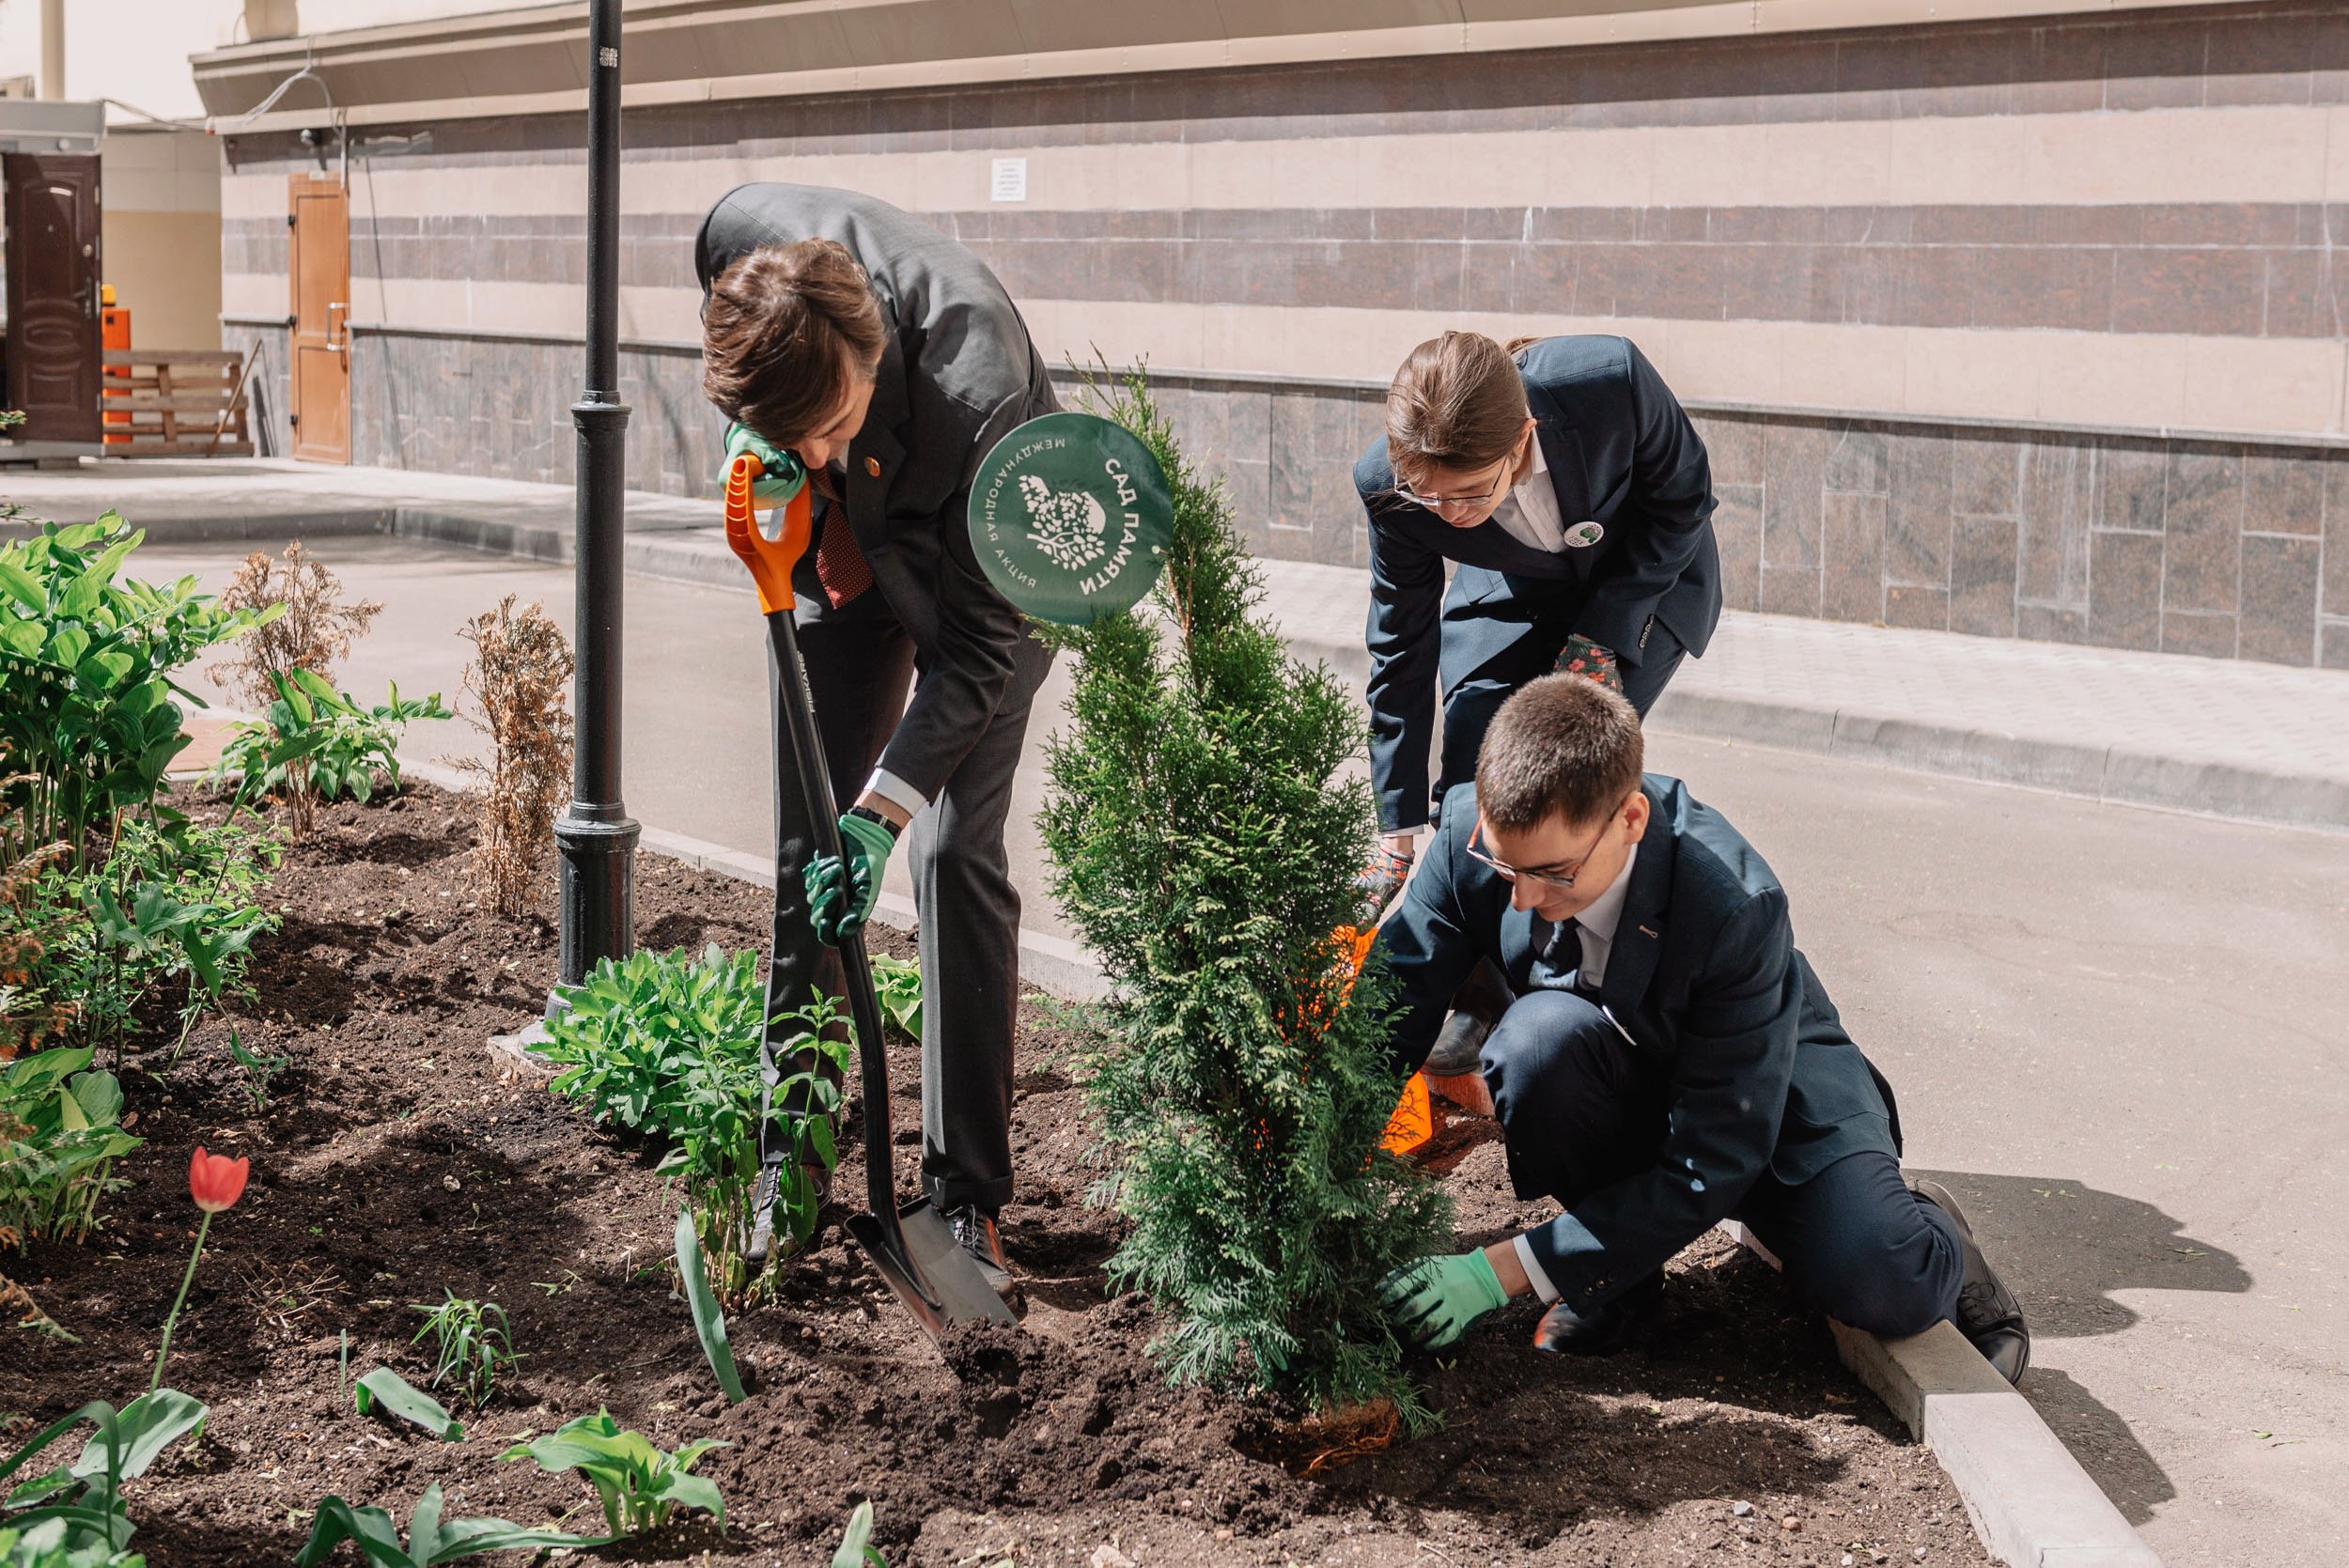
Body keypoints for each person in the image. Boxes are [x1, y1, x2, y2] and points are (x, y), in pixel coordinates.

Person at [1372, 675, 2029, 1381]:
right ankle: (1619, 1282)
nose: (1526, 898)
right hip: (1620, 1072)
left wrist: (1501, 1269)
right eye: (1507, 868)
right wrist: (1303, 1178)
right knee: (1533, 1048)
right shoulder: (1472, 840)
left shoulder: (1735, 904)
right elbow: (1382, 1020)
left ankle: (1939, 1239)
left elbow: (1713, 1155)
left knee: (1875, 1275)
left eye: (1554, 873)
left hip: (1765, 1096)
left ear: (1629, 818)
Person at [696, 183, 1054, 1289]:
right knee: (813, 847)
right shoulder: (735, 240)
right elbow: (771, 396)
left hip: (978, 571)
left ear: (875, 353)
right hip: (841, 563)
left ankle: (964, 1201)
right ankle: (787, 1155)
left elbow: (981, 655)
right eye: (788, 435)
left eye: (836, 426)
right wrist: (769, 455)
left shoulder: (982, 394)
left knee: (950, 851)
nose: (817, 448)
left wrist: (886, 812)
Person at [1355, 332, 1724, 1075]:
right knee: (1471, 770)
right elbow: (1401, 641)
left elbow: (1684, 497)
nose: (1447, 515)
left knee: (1557, 777)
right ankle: (1482, 992)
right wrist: (1394, 819)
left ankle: (1597, 978)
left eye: (1469, 493)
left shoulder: (1608, 381)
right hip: (1513, 596)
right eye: (1429, 496)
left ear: (1523, 439)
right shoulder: (1391, 487)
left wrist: (1599, 638)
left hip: (1642, 581)